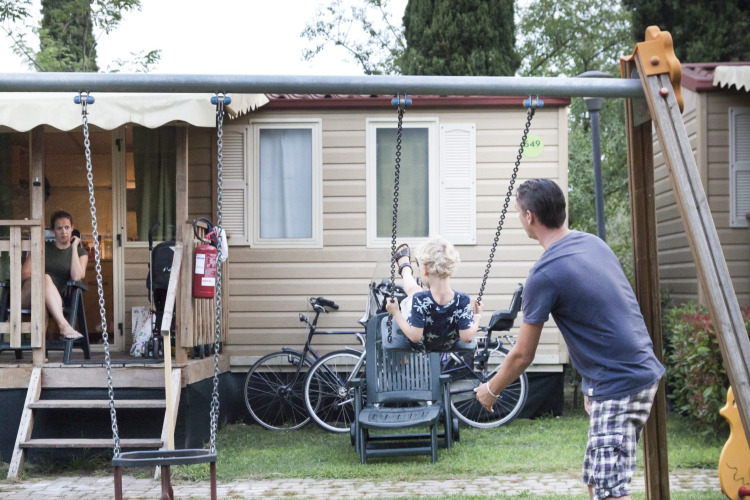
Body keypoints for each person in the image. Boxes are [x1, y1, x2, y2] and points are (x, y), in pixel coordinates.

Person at [474, 179, 665, 500]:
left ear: (530, 216)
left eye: (519, 213)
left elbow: (523, 355)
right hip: (630, 375)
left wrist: (491, 390)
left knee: (609, 492)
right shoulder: (592, 244)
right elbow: (607, 314)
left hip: (621, 383)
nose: (520, 218)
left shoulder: (544, 273)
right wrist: (592, 384)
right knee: (597, 480)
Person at [385, 236, 482, 351]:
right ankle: (405, 269)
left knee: (414, 291)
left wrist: (395, 312)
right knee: (417, 292)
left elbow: (415, 337)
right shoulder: (463, 299)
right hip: (448, 345)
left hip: (421, 345)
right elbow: (466, 337)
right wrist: (477, 316)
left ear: (425, 269)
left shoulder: (419, 299)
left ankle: (405, 269)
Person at [21, 210, 88, 340]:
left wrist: (74, 247)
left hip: (54, 300)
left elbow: (76, 277)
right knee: (45, 278)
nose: (64, 232)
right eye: (59, 228)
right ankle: (63, 325)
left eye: (67, 227)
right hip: (29, 294)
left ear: (72, 229)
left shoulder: (81, 252)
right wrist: (43, 281)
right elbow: (24, 273)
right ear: (52, 231)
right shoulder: (42, 248)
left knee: (43, 305)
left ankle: (40, 352)